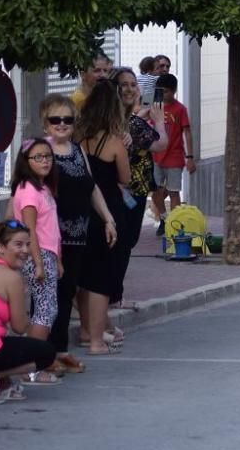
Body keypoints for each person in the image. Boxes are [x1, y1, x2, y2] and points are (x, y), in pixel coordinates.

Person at [45, 95, 118, 373]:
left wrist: (108, 218)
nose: (62, 125)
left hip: (78, 234)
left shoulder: (77, 151)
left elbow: (92, 187)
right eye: (56, 120)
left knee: (67, 292)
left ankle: (60, 352)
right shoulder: (41, 151)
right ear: (46, 124)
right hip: (52, 237)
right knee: (50, 296)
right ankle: (44, 356)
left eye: (68, 120)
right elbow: (26, 192)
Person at [76, 80, 131, 356]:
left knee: (83, 274)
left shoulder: (78, 139)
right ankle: (97, 337)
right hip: (108, 207)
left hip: (81, 209)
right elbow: (125, 178)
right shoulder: (114, 142)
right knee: (102, 277)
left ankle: (86, 329)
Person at [112, 67, 167, 294]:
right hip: (128, 190)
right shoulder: (131, 124)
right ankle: (114, 294)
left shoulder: (125, 120)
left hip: (131, 190)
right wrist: (160, 121)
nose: (130, 89)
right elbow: (160, 143)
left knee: (123, 243)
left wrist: (141, 116)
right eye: (124, 84)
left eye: (133, 84)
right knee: (124, 243)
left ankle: (114, 293)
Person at [0, 220, 60, 402]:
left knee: (6, 343)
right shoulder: (11, 278)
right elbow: (20, 327)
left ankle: (3, 381)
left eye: (28, 245)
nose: (25, 251)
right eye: (18, 244)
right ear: (0, 246)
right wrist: (22, 298)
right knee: (46, 353)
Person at [10, 139, 61, 363]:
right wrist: (39, 263)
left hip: (48, 255)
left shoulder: (42, 187)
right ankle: (33, 366)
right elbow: (30, 231)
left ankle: (32, 364)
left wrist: (57, 260)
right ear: (26, 161)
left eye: (48, 156)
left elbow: (51, 229)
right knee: (44, 311)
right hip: (37, 256)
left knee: (48, 309)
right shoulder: (29, 190)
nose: (45, 161)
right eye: (38, 157)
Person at [151, 73, 196, 235]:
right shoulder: (154, 108)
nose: (164, 95)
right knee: (156, 192)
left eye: (167, 92)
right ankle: (164, 219)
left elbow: (188, 133)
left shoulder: (180, 109)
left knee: (173, 192)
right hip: (156, 157)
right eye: (161, 91)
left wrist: (190, 157)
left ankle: (176, 225)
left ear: (174, 91)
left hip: (175, 157)